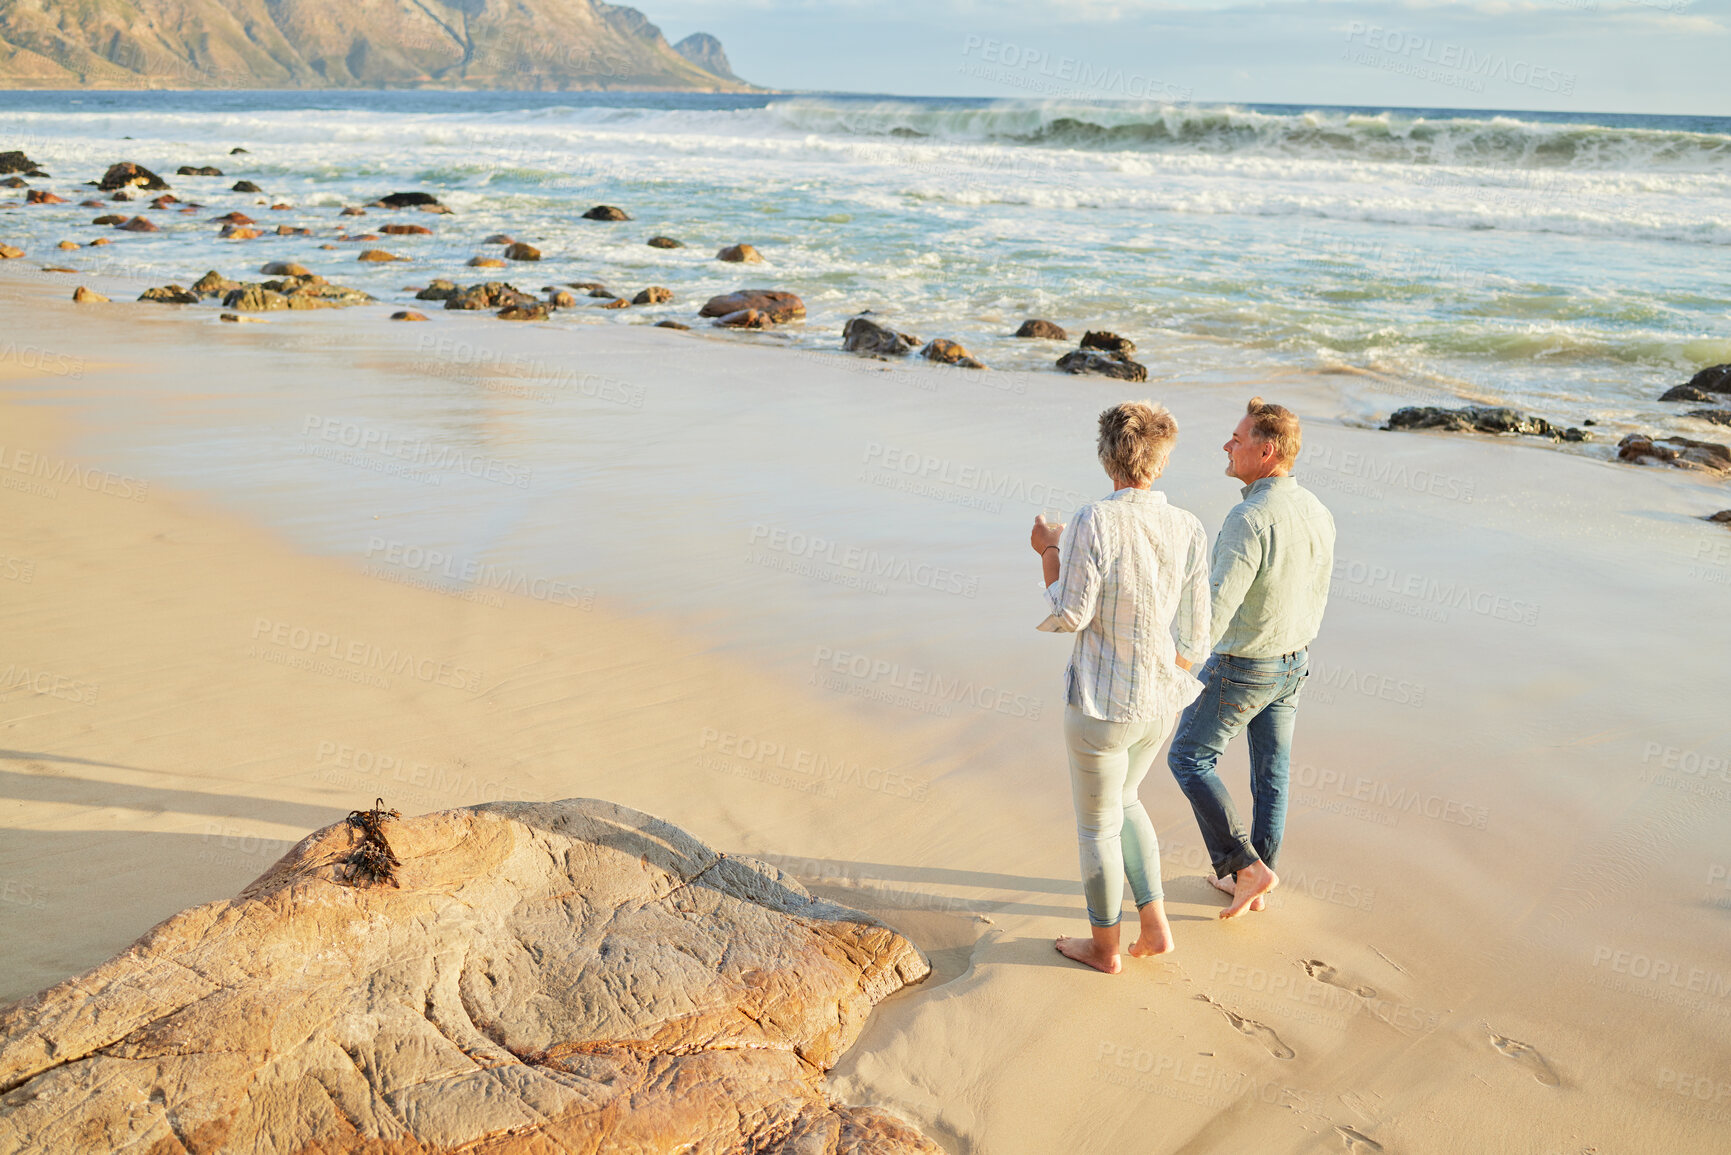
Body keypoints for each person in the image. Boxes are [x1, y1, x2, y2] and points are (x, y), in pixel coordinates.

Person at [1031, 401, 1211, 974]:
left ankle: (1104, 947)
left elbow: (1069, 615)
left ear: (1108, 455)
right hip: (1159, 703)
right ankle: (1155, 928)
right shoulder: (1188, 525)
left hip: (1100, 705)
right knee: (1128, 802)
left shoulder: (1094, 518)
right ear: (1161, 460)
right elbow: (1199, 633)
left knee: (1096, 827)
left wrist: (1049, 551)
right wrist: (1160, 669)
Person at [1167, 397, 1336, 919]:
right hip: (1294, 662)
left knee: (1188, 757)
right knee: (1272, 775)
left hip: (1245, 665)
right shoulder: (1317, 509)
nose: (1227, 444)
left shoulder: (1250, 517)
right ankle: (1256, 879)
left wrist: (1178, 664)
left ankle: (1246, 867)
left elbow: (1217, 603)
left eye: (1236, 439)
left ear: (1266, 451)